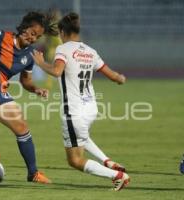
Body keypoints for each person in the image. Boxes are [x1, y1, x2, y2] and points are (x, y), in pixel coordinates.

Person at [31, 12, 130, 191]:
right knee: (81, 137)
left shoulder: (63, 49)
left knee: (75, 160)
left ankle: (118, 176)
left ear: (62, 31)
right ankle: (108, 162)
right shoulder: (91, 52)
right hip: (90, 108)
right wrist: (120, 78)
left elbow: (56, 71)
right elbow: (113, 75)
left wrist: (40, 63)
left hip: (73, 111)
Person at [0, 11, 58, 184]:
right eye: (33, 33)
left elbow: (25, 81)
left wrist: (36, 89)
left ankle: (33, 173)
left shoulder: (30, 56)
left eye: (38, 36)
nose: (34, 38)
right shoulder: (0, 36)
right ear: (24, 28)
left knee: (22, 127)